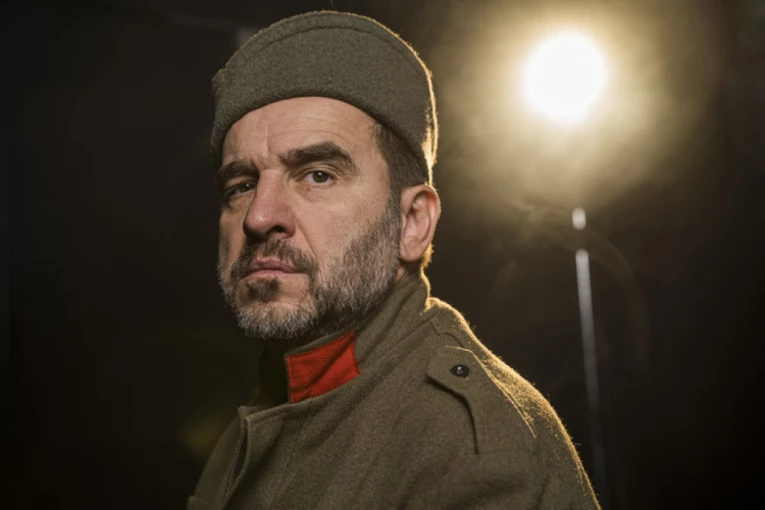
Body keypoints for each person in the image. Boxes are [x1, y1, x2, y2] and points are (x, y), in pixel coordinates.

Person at [188, 11, 600, 510]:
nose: (259, 216)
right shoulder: (263, 407)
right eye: (242, 185)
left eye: (318, 175)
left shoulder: (473, 453)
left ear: (412, 224)